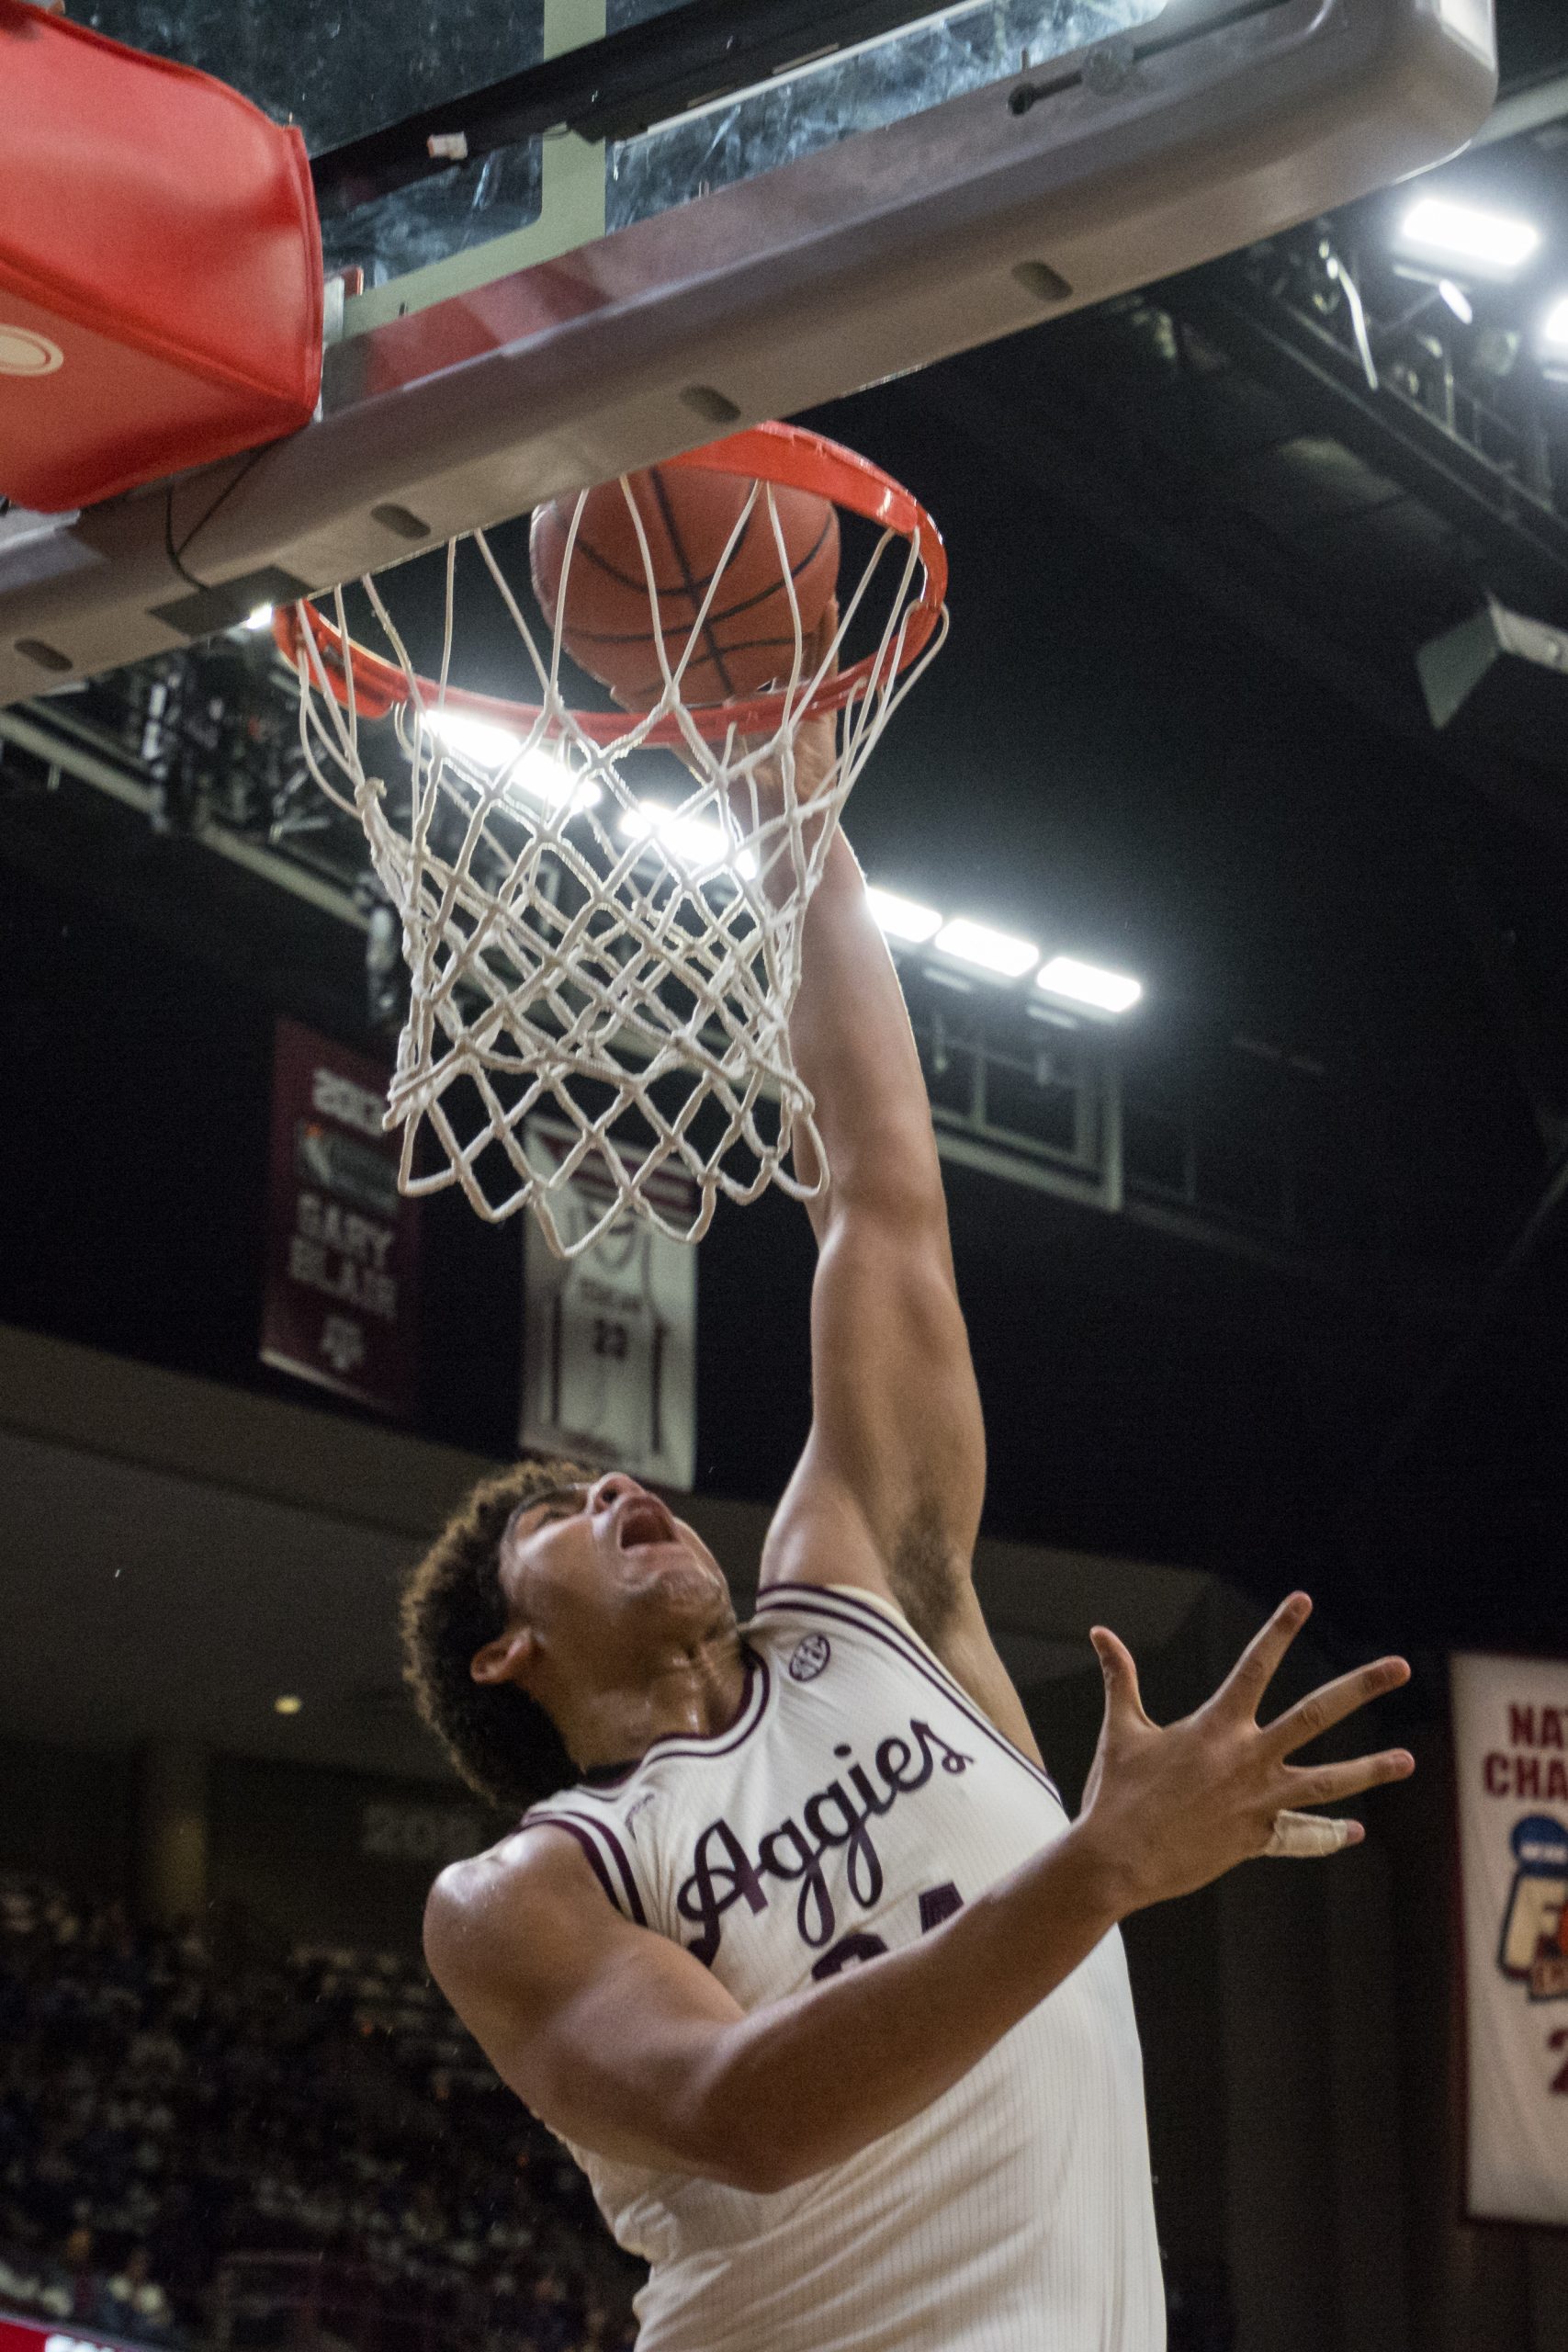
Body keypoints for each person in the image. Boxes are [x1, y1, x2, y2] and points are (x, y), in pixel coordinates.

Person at [400, 638, 1415, 2351]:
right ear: (507, 1656)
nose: (624, 1489)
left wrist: (790, 811)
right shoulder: (527, 1895)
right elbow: (742, 2113)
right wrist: (1097, 1870)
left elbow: (878, 1192)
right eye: (562, 1515)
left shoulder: (863, 1591)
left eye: (611, 1474)